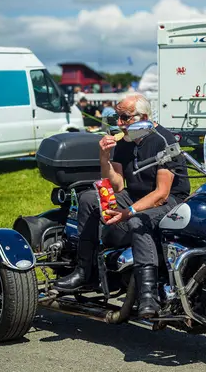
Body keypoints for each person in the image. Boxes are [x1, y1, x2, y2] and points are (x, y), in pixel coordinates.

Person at [55, 93, 190, 319]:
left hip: (172, 201)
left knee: (139, 220)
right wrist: (104, 157)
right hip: (135, 194)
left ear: (143, 117)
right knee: (88, 199)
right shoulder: (124, 141)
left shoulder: (163, 140)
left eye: (124, 118)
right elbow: (116, 185)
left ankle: (149, 296)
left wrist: (129, 213)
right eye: (116, 117)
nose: (119, 123)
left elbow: (161, 193)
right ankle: (84, 272)